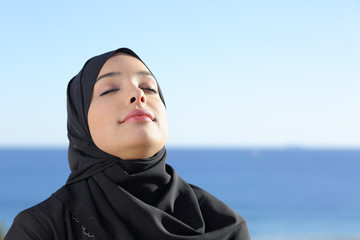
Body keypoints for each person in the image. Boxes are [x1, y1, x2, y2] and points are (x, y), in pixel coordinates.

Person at [4, 48, 251, 239]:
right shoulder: (44, 228)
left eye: (148, 87)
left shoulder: (225, 225)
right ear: (80, 123)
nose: (138, 94)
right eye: (110, 89)